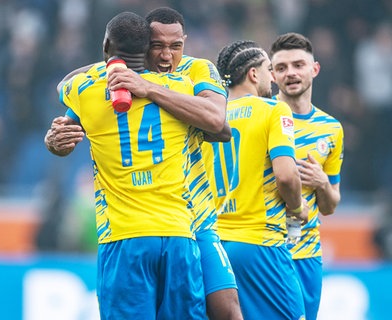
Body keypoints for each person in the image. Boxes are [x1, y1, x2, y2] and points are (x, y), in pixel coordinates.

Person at [46, 7, 242, 320]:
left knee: (228, 311)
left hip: (194, 219)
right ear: (144, 45)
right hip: (172, 228)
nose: (166, 55)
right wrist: (117, 66)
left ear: (185, 42)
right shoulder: (146, 84)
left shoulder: (195, 73)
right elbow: (65, 125)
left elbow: (220, 124)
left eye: (175, 46)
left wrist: (142, 82)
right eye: (157, 46)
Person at [210, 39, 309, 319]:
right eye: (269, 69)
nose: (274, 77)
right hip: (260, 243)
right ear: (254, 74)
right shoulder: (274, 109)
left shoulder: (209, 117)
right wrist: (297, 206)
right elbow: (287, 176)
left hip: (215, 246)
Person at [270, 32, 344, 320]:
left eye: (298, 65)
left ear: (315, 69)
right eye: (281, 68)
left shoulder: (331, 128)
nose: (291, 73)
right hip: (267, 249)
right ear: (272, 75)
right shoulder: (263, 117)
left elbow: (330, 206)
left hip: (308, 252)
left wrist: (322, 181)